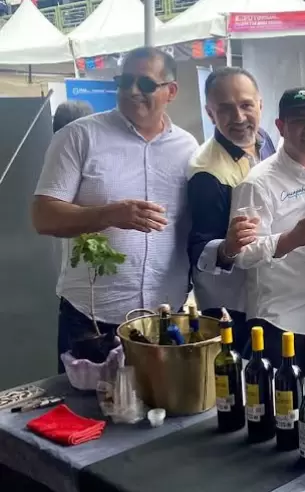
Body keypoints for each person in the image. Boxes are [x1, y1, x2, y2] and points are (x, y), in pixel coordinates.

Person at [32, 47, 197, 374]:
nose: (132, 91)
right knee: (86, 406)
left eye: (145, 84)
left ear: (171, 91)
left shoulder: (188, 148)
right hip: (92, 320)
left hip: (165, 316)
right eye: (124, 81)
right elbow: (43, 216)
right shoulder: (78, 137)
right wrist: (108, 214)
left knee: (163, 403)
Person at [227, 87, 305, 372]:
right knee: (283, 398)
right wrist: (290, 239)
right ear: (280, 126)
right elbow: (242, 254)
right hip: (280, 320)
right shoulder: (258, 183)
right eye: (299, 120)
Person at [187, 67, 275, 353]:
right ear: (210, 114)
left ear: (260, 105)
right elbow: (199, 248)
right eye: (225, 109)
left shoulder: (265, 141)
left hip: (268, 294)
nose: (239, 117)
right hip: (231, 305)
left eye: (246, 105)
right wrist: (227, 247)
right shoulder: (207, 172)